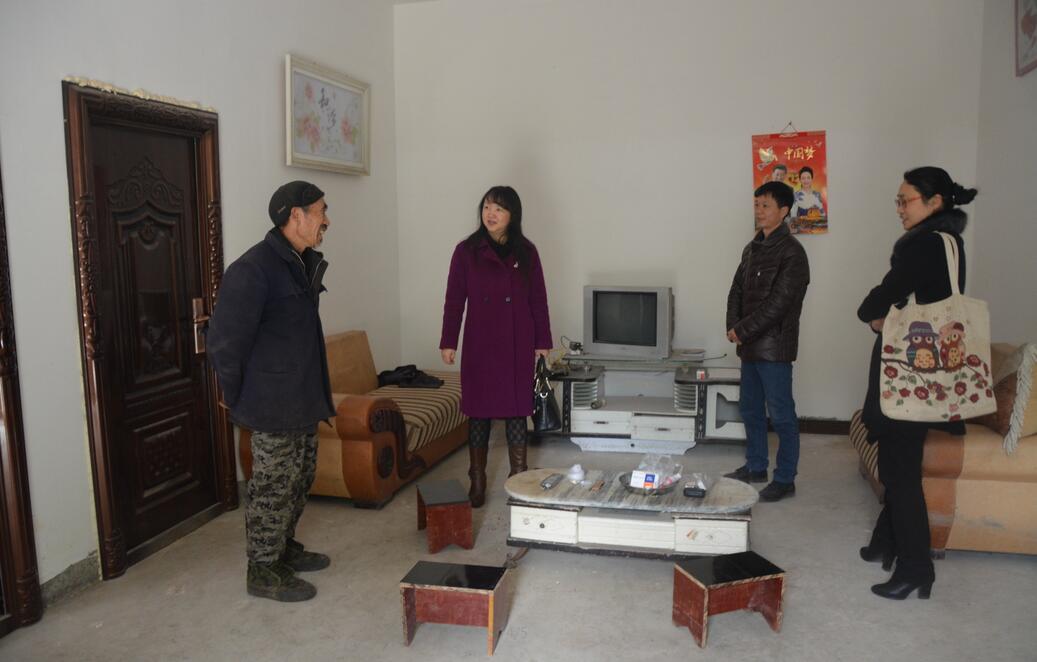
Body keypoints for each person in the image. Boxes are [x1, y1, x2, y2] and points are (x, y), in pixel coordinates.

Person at [207, 180, 334, 602]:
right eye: (321, 211)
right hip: (271, 403)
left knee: (299, 480)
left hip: (302, 397)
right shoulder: (253, 269)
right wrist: (236, 397)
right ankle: (261, 569)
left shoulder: (298, 262)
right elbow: (225, 342)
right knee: (272, 487)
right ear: (296, 215)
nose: (326, 220)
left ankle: (281, 549)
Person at [856, 167, 977, 600]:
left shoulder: (924, 245)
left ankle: (915, 570)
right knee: (899, 464)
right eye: (898, 200)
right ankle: (885, 541)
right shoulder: (951, 243)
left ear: (934, 202)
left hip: (909, 379)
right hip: (930, 377)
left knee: (900, 473)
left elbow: (876, 300)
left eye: (905, 200)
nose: (899, 209)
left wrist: (876, 316)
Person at [440, 186, 552, 507]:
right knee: (479, 413)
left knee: (517, 412)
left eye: (499, 209)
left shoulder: (527, 252)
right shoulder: (466, 251)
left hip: (517, 342)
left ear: (512, 215)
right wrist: (449, 340)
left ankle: (518, 479)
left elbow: (538, 300)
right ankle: (477, 481)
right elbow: (454, 300)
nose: (490, 214)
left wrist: (542, 341)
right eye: (487, 206)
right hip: (481, 342)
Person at [724, 181, 810, 502]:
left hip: (774, 349)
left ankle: (785, 478)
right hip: (749, 346)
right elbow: (736, 290)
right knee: (750, 410)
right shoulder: (751, 248)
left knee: (782, 415)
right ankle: (756, 466)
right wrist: (733, 326)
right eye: (757, 205)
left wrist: (743, 330)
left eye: (766, 206)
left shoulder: (793, 253)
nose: (759, 211)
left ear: (784, 211)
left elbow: (779, 304)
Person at [789, 165, 825, 232]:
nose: (806, 180)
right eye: (803, 178)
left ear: (812, 179)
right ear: (800, 180)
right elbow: (793, 215)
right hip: (801, 230)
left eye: (808, 178)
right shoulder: (796, 195)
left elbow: (822, 213)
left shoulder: (817, 194)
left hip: (817, 229)